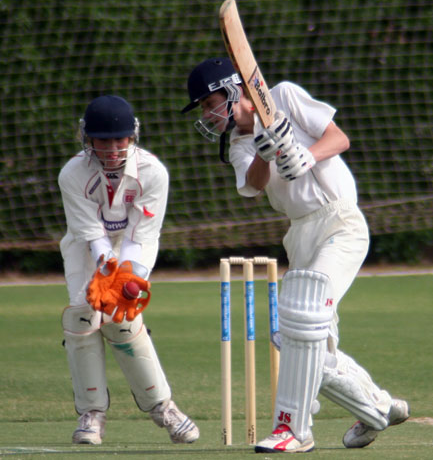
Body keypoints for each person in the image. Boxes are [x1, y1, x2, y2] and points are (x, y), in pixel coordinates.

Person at [181, 58, 409, 453]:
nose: (207, 114)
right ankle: (379, 408)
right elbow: (253, 185)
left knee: (305, 320)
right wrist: (264, 153)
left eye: (208, 103)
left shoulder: (282, 96)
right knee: (301, 340)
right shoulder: (238, 145)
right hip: (300, 234)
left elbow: (339, 139)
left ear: (232, 90)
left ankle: (294, 430)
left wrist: (308, 156)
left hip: (340, 222)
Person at [58, 94, 199, 445]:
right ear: (87, 138)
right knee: (83, 314)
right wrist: (106, 267)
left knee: (122, 316)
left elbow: (142, 234)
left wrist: (128, 277)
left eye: (120, 140)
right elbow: (90, 232)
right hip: (85, 247)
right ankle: (91, 414)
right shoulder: (72, 173)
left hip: (132, 245)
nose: (112, 149)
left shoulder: (153, 172)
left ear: (133, 135)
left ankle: (163, 408)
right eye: (102, 140)